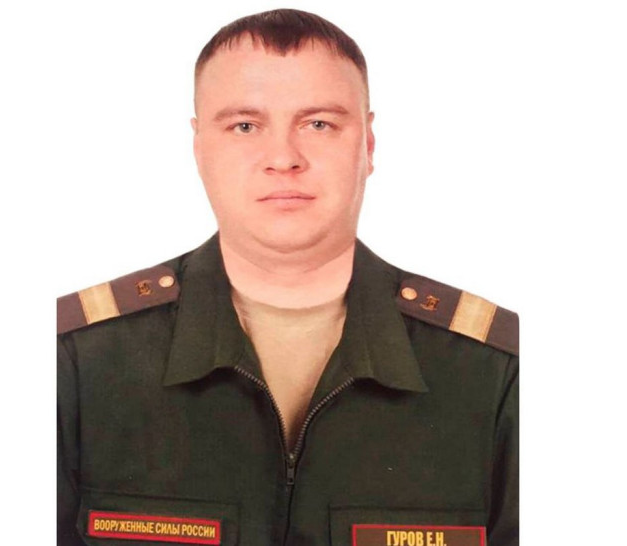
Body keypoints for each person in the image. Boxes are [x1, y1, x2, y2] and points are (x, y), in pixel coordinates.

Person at [57, 9, 518, 546]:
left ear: (368, 145)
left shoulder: (498, 375)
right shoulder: (75, 361)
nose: (283, 158)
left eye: (318, 124)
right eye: (245, 126)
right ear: (200, 147)